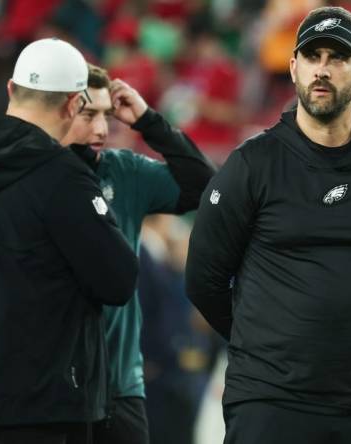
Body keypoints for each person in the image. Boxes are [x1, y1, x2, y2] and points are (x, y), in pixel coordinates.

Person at [185, 6, 351, 444]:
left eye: (337, 58)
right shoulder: (252, 164)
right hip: (270, 402)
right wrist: (265, 344)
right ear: (293, 67)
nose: (322, 70)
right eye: (312, 56)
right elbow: (203, 280)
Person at [0, 38, 139, 444]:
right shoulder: (64, 179)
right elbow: (119, 280)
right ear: (74, 104)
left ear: (10, 90)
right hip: (37, 404)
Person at [59, 63, 216, 444]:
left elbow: (206, 186)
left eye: (106, 115)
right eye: (88, 114)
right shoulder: (33, 175)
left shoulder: (123, 172)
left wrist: (148, 121)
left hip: (121, 383)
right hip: (51, 380)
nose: (101, 129)